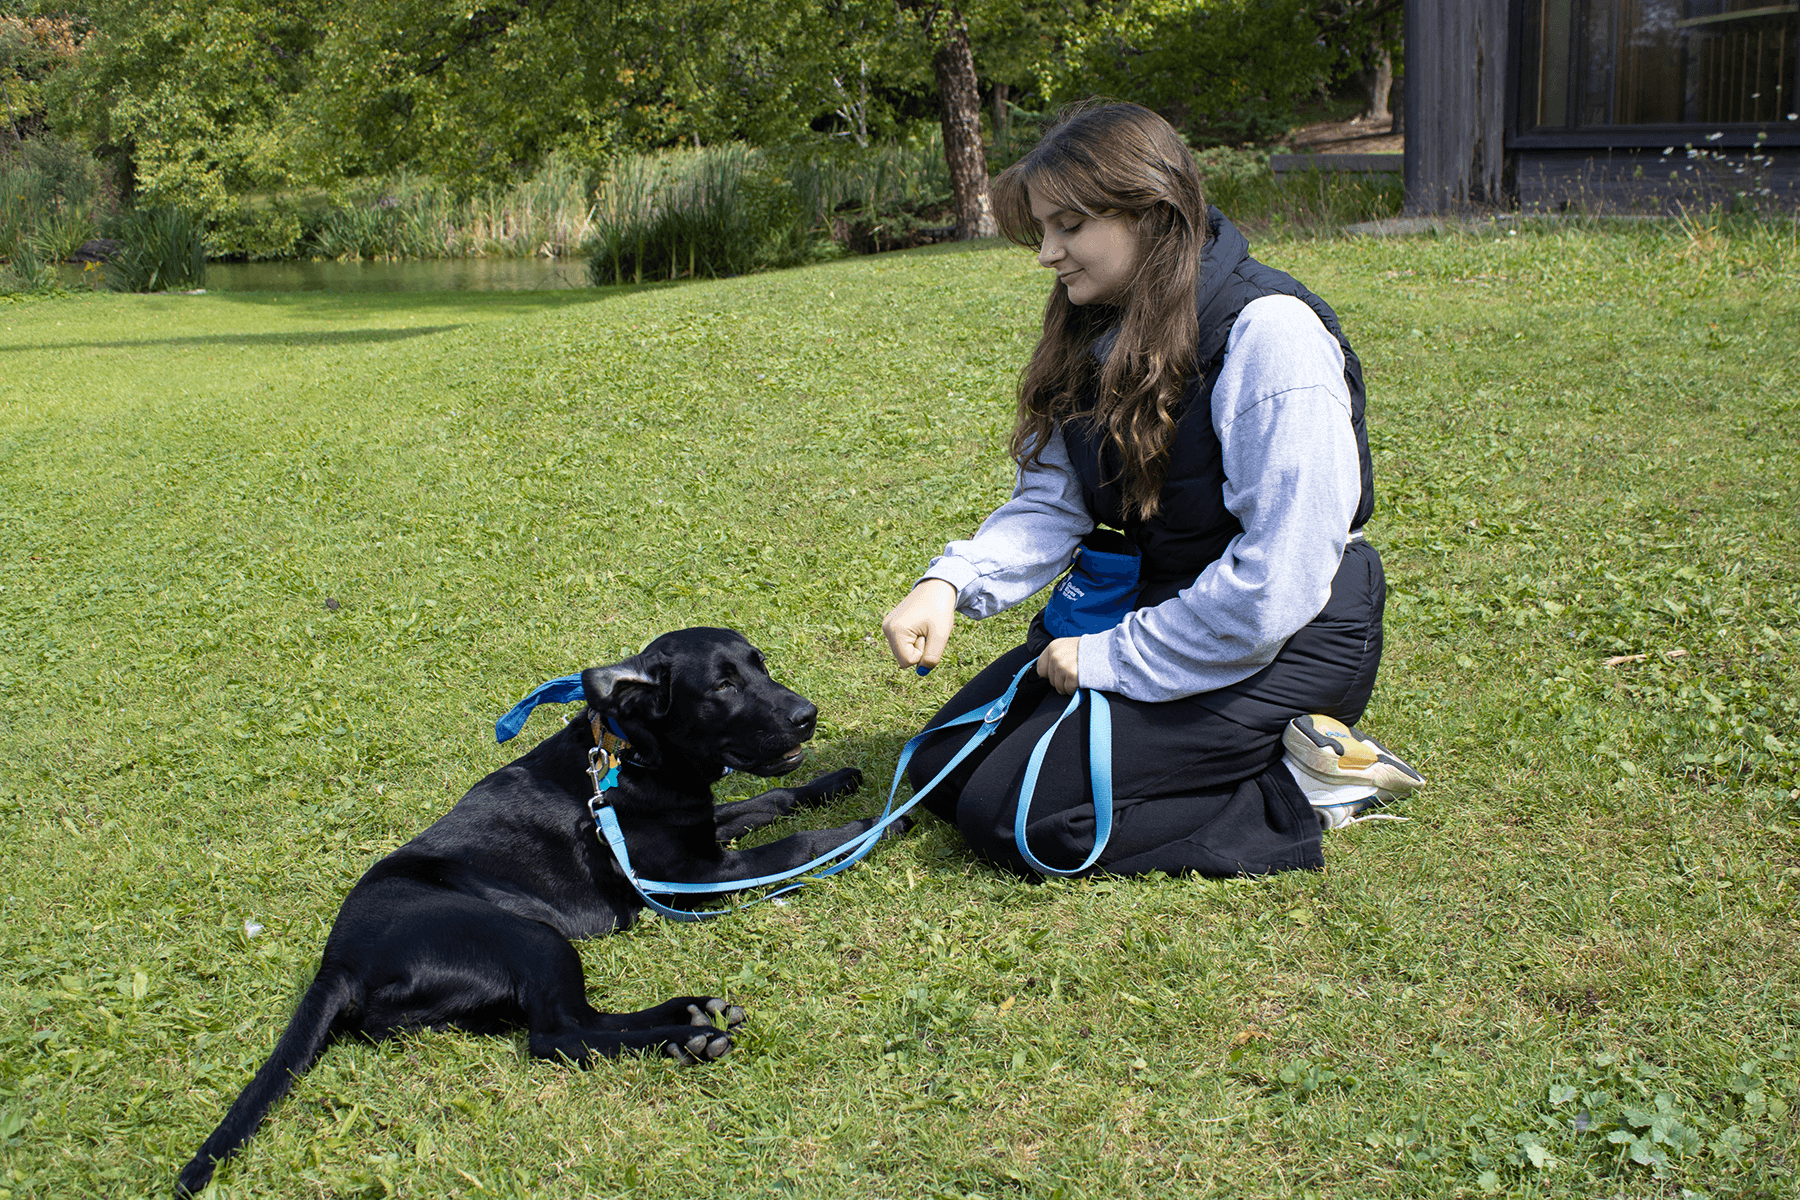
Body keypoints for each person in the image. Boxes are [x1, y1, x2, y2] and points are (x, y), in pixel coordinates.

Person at [879, 101, 1422, 879]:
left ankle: (1311, 785)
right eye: (1043, 230)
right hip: (1164, 600)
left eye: (1069, 226)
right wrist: (949, 582)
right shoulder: (1095, 324)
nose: (1047, 254)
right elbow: (1056, 502)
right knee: (943, 768)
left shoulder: (1271, 334)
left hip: (1289, 632)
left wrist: (1112, 657)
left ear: (1152, 212)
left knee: (1018, 818)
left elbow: (1281, 581)